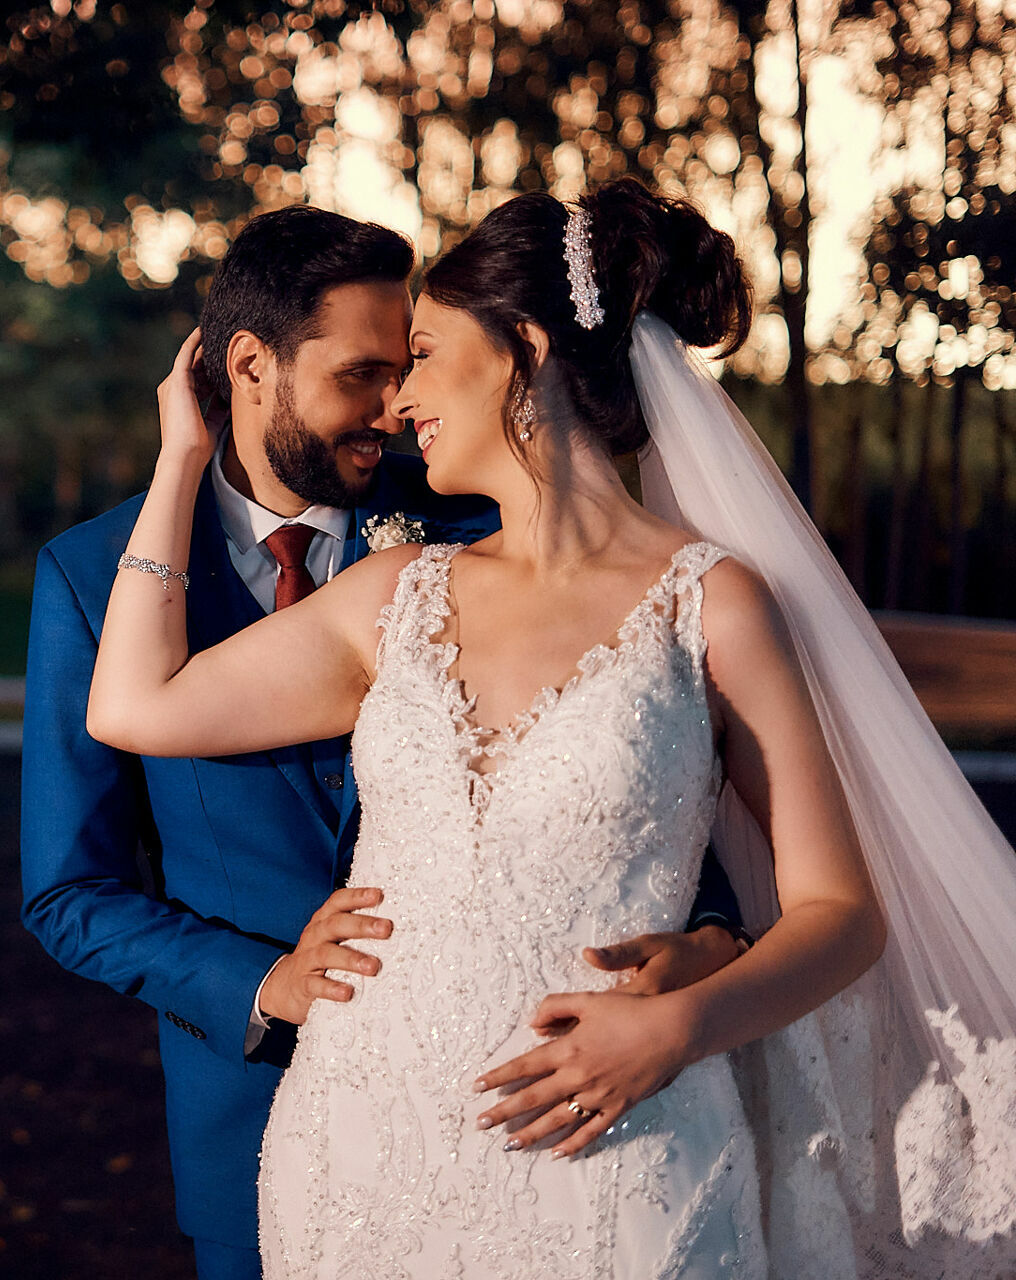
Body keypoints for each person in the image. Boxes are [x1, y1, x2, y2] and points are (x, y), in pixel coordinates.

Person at [88, 179, 1016, 1277]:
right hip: (358, 1151)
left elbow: (841, 913)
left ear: (523, 347)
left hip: (621, 1152)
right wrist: (180, 458)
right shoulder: (396, 594)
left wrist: (683, 1026)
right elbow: (132, 705)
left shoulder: (710, 603)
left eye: (424, 354)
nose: (396, 404)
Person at [20, 204, 749, 1280]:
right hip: (268, 1120)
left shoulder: (471, 522)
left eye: (408, 362)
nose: (393, 407)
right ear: (252, 365)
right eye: (363, 372)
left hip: (552, 1100)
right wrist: (264, 983)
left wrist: (716, 931)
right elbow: (68, 890)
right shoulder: (94, 581)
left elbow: (631, 768)